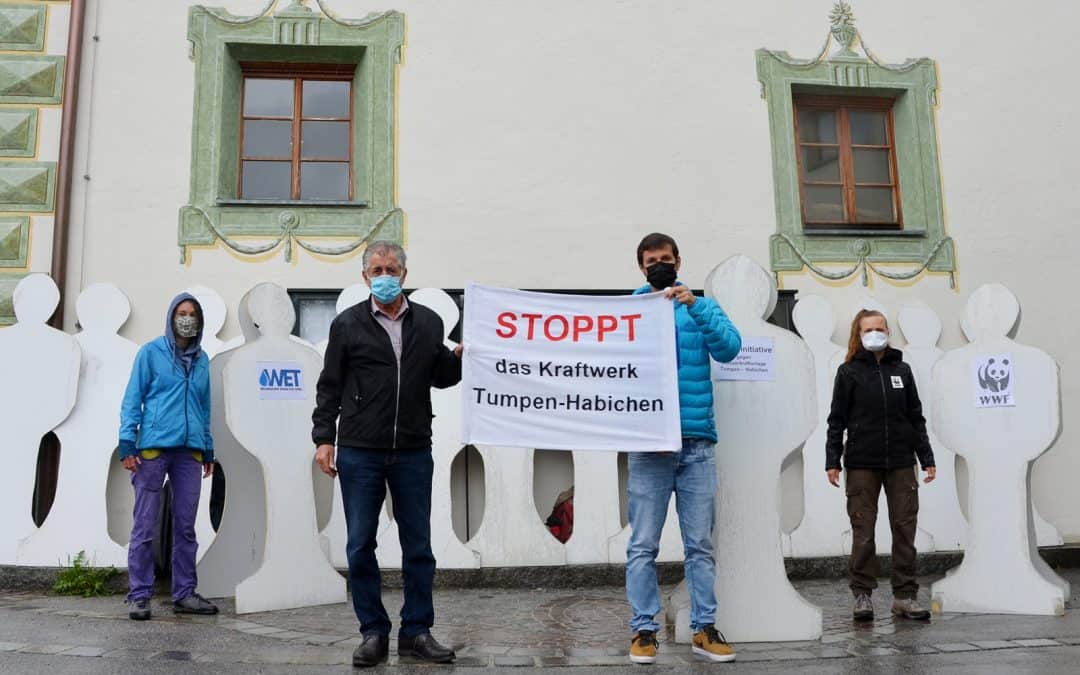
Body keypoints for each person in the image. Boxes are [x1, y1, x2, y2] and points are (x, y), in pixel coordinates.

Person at [312, 241, 463, 668]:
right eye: (376, 269)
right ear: (364, 277)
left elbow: (440, 377)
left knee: (419, 546)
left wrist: (458, 360)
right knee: (360, 544)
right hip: (360, 451)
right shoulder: (347, 324)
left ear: (404, 274)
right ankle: (373, 632)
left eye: (391, 268)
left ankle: (417, 631)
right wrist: (324, 438)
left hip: (414, 449)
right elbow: (330, 386)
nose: (384, 275)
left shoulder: (429, 322)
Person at [626, 233, 742, 664]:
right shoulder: (629, 311)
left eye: (666, 259)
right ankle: (643, 630)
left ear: (678, 261)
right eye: (652, 260)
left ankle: (704, 627)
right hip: (649, 444)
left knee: (699, 544)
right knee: (642, 545)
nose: (660, 264)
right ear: (641, 267)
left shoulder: (703, 305)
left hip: (696, 443)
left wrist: (694, 305)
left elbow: (730, 349)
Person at [825, 309, 936, 622]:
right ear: (858, 335)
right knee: (863, 531)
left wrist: (926, 457)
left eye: (880, 328)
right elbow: (837, 420)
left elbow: (916, 417)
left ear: (888, 332)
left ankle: (905, 596)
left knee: (904, 529)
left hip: (901, 461)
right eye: (868, 329)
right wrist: (832, 460)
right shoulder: (848, 372)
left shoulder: (902, 369)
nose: (875, 333)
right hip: (862, 462)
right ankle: (862, 595)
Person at [119, 293, 217, 621]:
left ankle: (185, 593)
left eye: (192, 314)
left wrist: (208, 447)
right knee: (145, 525)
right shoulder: (151, 353)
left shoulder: (202, 360)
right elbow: (132, 397)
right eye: (181, 313)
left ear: (199, 322)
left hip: (189, 452)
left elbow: (204, 408)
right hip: (152, 450)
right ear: (171, 317)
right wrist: (126, 443)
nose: (186, 319)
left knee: (186, 527)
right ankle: (139, 595)